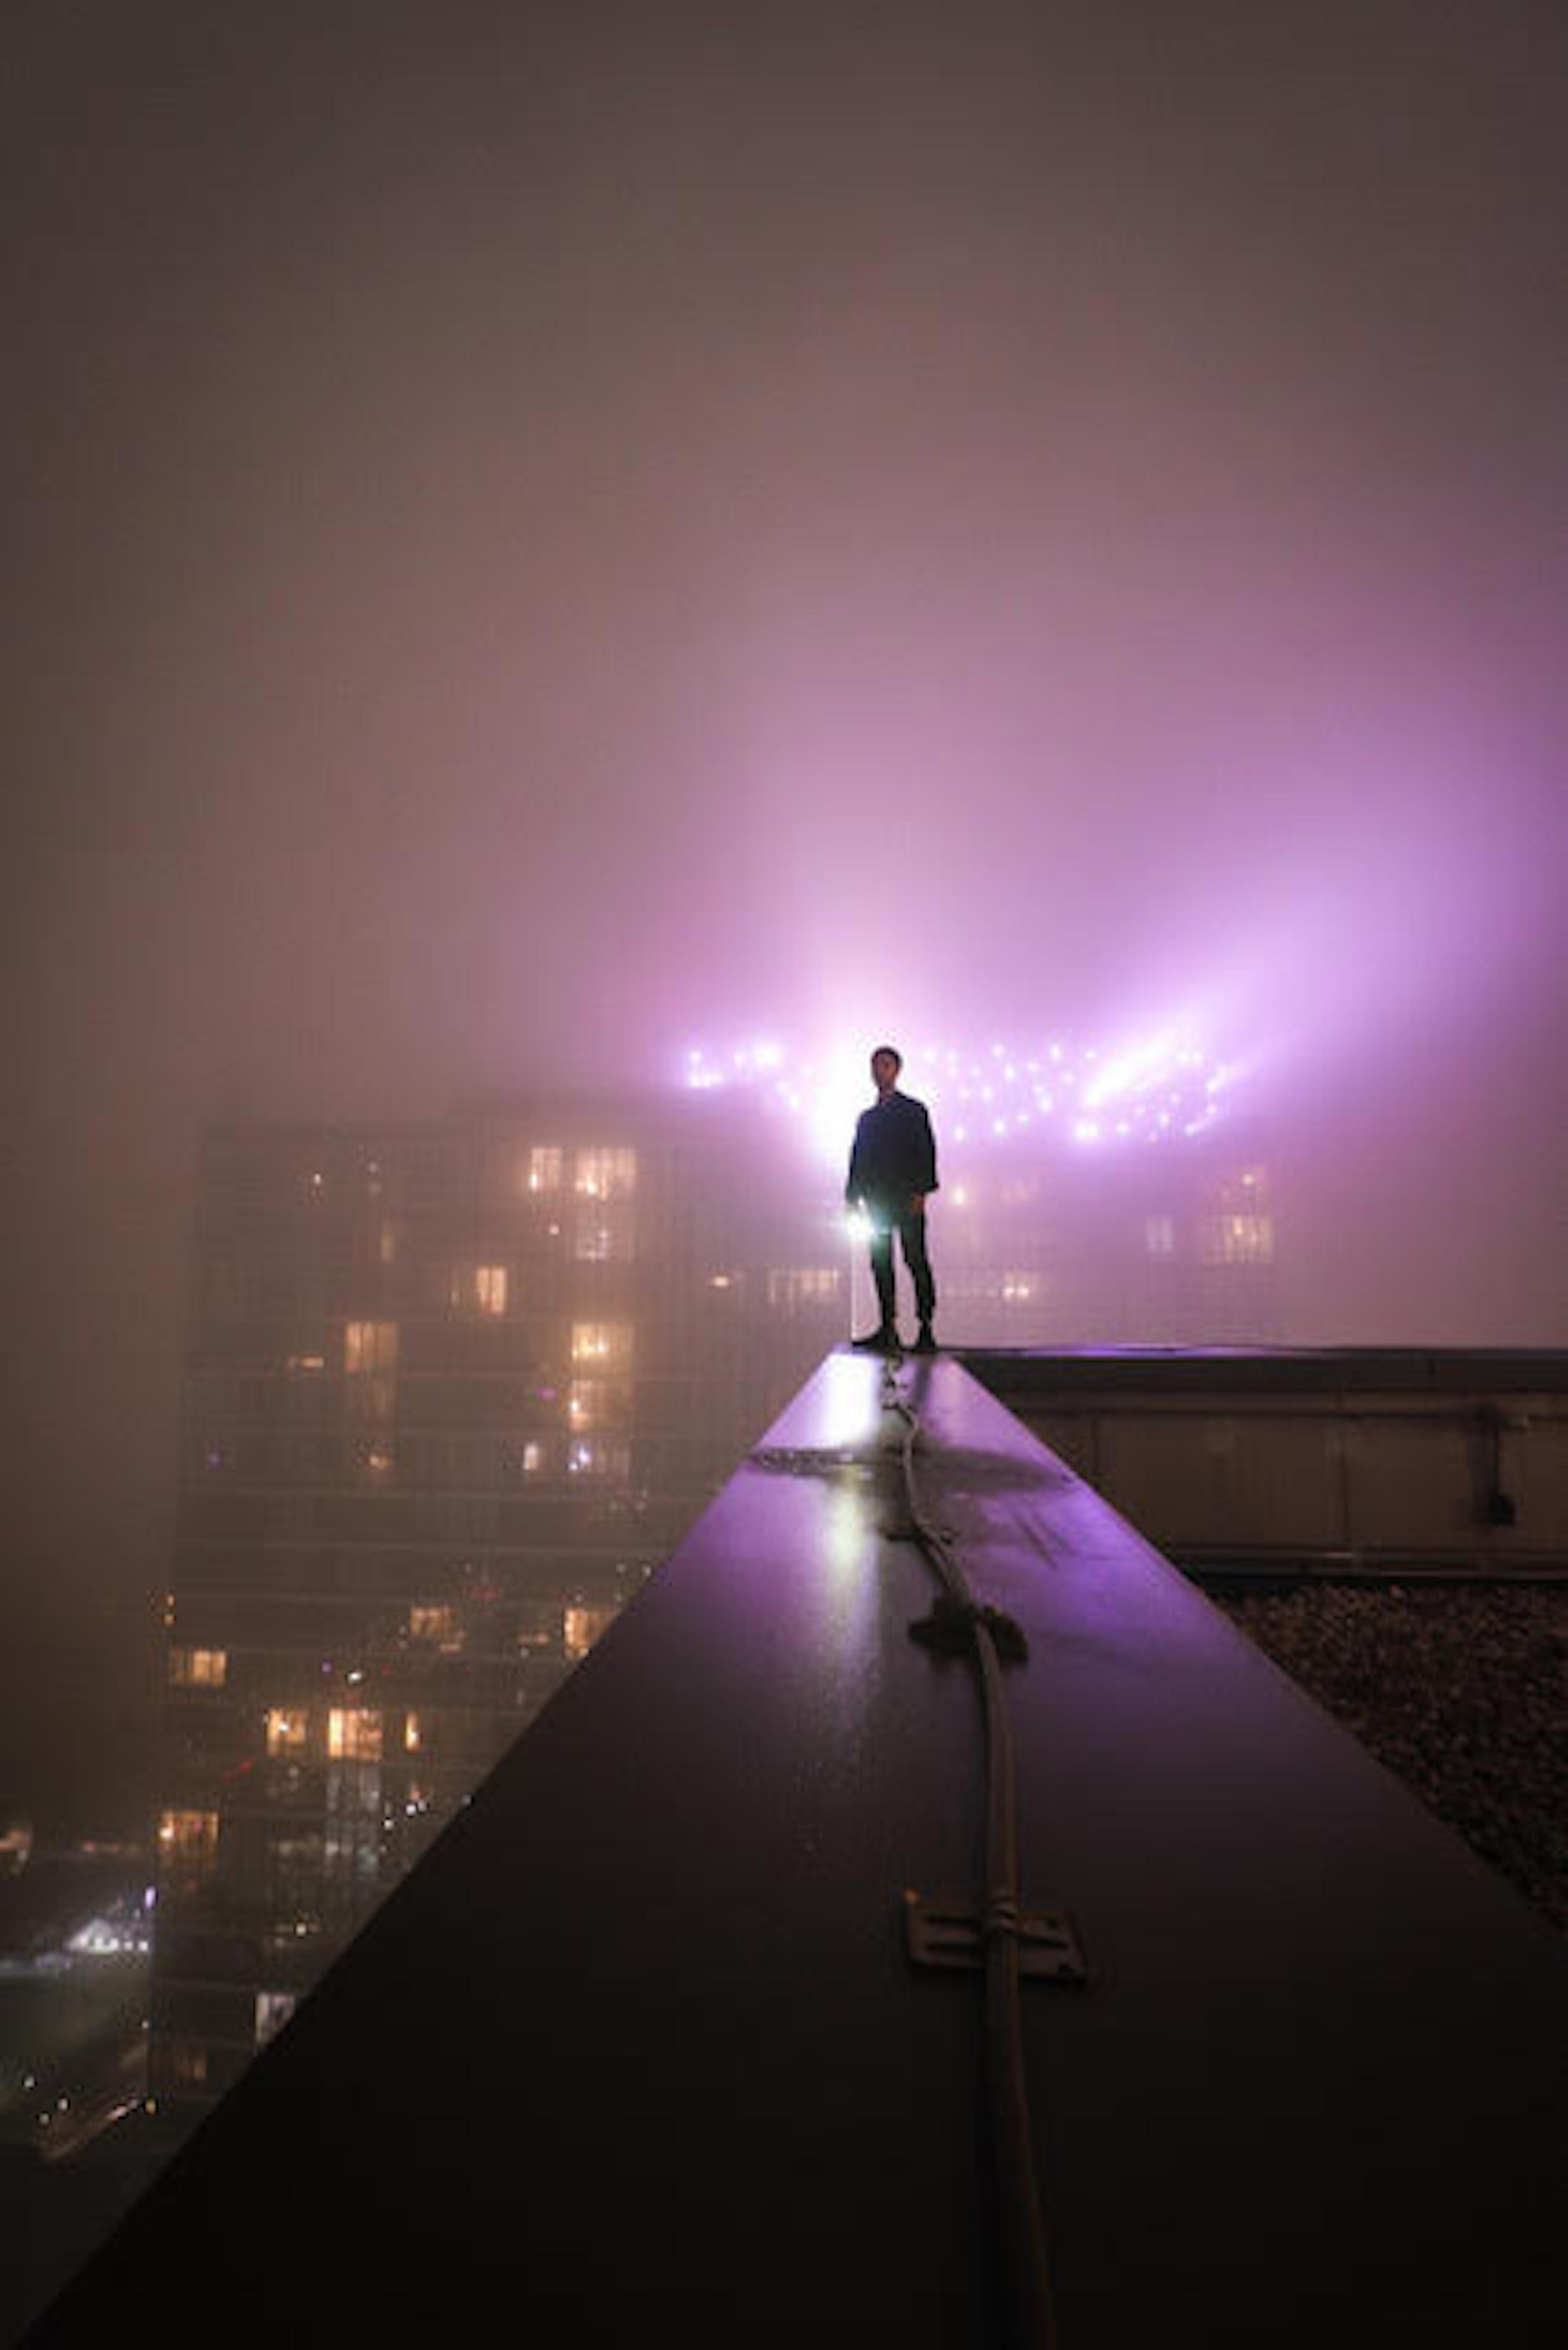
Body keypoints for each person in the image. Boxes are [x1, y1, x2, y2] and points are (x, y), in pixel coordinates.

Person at [845, 1044, 939, 1353]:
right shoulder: (868, 1119)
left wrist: (921, 1192)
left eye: (885, 1065)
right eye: (875, 1065)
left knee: (916, 1262)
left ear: (896, 1070)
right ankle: (888, 1328)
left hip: (906, 1198)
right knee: (881, 1263)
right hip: (878, 1202)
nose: (879, 1071)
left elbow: (926, 1153)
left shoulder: (914, 1111)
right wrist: (852, 1197)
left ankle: (925, 1328)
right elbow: (858, 1159)